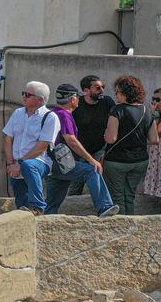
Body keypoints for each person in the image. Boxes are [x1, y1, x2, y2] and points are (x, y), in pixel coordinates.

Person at [42, 83, 119, 217]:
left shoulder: (54, 113)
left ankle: (45, 222)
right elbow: (71, 140)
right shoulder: (64, 115)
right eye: (78, 97)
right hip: (62, 163)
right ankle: (104, 207)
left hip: (54, 164)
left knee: (51, 205)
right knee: (91, 171)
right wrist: (92, 160)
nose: (79, 99)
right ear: (72, 99)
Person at [102, 75, 159, 215]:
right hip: (140, 161)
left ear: (125, 93)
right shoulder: (147, 111)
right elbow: (154, 139)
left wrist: (105, 134)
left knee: (117, 197)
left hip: (116, 161)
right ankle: (131, 223)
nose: (116, 95)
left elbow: (111, 138)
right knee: (129, 196)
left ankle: (121, 225)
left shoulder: (117, 110)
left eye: (117, 92)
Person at [2, 81, 61, 214]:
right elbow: (8, 138)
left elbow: (42, 147)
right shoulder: (18, 113)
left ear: (40, 100)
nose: (24, 96)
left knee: (28, 166)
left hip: (39, 162)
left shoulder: (50, 117)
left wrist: (20, 163)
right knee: (21, 204)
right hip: (16, 164)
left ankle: (38, 206)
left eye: (28, 95)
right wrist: (11, 163)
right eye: (24, 93)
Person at [70, 75, 113, 196]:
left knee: (98, 181)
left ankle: (101, 204)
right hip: (79, 150)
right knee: (75, 184)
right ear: (86, 90)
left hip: (99, 149)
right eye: (97, 88)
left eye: (103, 87)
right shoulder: (77, 103)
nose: (102, 90)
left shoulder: (107, 102)